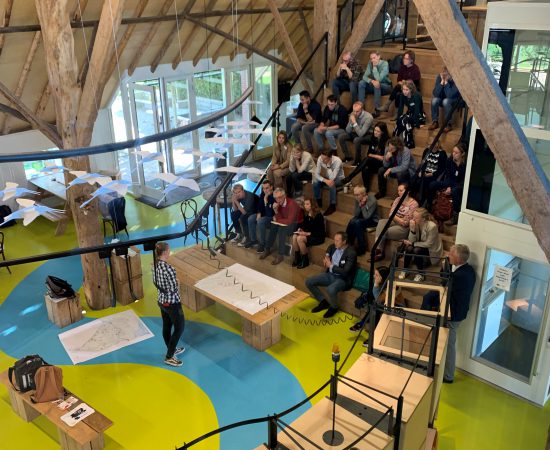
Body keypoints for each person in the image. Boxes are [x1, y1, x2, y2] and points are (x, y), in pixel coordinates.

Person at [421, 244, 476, 383]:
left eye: (451, 254)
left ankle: (448, 376)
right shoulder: (467, 270)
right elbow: (445, 279)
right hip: (456, 311)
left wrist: (445, 266)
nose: (448, 255)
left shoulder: (461, 275)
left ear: (458, 258)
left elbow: (446, 282)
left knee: (449, 345)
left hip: (453, 314)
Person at [306, 231, 357, 319]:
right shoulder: (334, 246)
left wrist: (331, 266)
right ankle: (323, 302)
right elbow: (329, 248)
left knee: (330, 289)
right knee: (309, 281)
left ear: (344, 241)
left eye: (337, 241)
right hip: (330, 274)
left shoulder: (351, 253)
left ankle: (334, 307)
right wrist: (326, 257)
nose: (335, 242)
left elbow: (345, 272)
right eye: (334, 240)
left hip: (342, 279)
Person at [153, 242, 185, 367]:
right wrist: (178, 283)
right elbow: (173, 289)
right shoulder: (169, 269)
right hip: (172, 303)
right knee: (179, 327)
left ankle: (170, 348)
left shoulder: (155, 266)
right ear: (165, 252)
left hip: (161, 301)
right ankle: (169, 356)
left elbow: (156, 282)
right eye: (169, 250)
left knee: (167, 326)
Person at [372, 183, 418, 262]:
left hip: (404, 228)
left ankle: (379, 252)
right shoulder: (397, 199)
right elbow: (390, 214)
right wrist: (400, 219)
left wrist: (396, 217)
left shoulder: (414, 204)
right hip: (394, 222)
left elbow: (406, 223)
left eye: (401, 190)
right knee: (381, 222)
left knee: (383, 231)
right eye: (398, 191)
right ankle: (378, 249)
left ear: (407, 192)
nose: (399, 192)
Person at [260, 188, 303, 265]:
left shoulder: (292, 204)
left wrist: (277, 220)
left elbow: (290, 220)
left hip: (295, 224)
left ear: (284, 196)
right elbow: (279, 217)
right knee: (273, 226)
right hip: (284, 222)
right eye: (276, 198)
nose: (278, 200)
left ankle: (280, 255)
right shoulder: (278, 203)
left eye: (280, 197)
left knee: (281, 229)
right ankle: (267, 249)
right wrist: (276, 211)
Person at [398, 208, 442, 282]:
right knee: (409, 248)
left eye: (416, 218)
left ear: (423, 219)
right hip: (420, 245)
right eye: (413, 217)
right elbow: (411, 240)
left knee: (416, 249)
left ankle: (421, 274)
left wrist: (413, 243)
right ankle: (405, 270)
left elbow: (429, 244)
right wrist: (412, 230)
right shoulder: (415, 224)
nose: (413, 219)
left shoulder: (432, 226)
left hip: (431, 249)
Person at [341, 122, 390, 190]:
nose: (375, 132)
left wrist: (373, 155)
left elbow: (384, 158)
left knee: (367, 159)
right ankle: (366, 188)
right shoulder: (373, 139)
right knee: (365, 168)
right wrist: (373, 156)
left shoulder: (387, 142)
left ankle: (350, 176)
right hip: (374, 162)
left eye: (378, 131)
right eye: (375, 130)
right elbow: (369, 154)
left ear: (383, 132)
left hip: (383, 165)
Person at [427, 143, 467, 225]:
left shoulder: (465, 165)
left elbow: (463, 181)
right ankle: (430, 206)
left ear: (462, 154)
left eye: (456, 153)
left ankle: (455, 216)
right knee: (432, 184)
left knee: (455, 191)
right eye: (453, 152)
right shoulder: (449, 160)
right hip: (450, 182)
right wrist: (448, 186)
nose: (453, 154)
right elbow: (448, 175)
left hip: (460, 185)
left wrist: (451, 189)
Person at [291, 198, 325, 269]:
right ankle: (298, 258)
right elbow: (304, 226)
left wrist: (305, 233)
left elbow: (318, 232)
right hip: (308, 234)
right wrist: (300, 229)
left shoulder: (318, 216)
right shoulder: (306, 214)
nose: (305, 206)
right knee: (294, 236)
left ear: (312, 205)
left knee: (300, 238)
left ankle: (305, 260)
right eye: (305, 204)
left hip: (317, 237)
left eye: (307, 204)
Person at [346, 186, 378, 256]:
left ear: (363, 194)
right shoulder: (358, 198)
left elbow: (367, 216)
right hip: (362, 217)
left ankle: (362, 247)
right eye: (354, 195)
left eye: (357, 195)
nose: (356, 197)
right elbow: (356, 214)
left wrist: (363, 205)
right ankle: (348, 243)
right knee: (352, 221)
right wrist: (360, 204)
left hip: (373, 220)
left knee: (358, 223)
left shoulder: (372, 200)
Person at [358, 50, 392, 116]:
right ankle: (360, 108)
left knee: (377, 84)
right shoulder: (370, 63)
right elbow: (364, 76)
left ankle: (377, 110)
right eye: (371, 58)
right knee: (361, 83)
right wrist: (372, 81)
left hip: (386, 86)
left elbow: (379, 79)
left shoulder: (385, 64)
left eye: (374, 58)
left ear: (379, 57)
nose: (372, 60)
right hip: (375, 84)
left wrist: (374, 67)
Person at [313, 148, 345, 216]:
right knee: (315, 182)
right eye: (321, 158)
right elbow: (316, 174)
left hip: (339, 179)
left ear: (330, 158)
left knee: (331, 184)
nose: (322, 160)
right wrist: (325, 180)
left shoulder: (338, 161)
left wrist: (328, 166)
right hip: (327, 178)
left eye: (324, 159)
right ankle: (318, 200)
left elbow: (332, 178)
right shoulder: (320, 158)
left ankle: (332, 205)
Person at [429, 67, 461, 132]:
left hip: (454, 100)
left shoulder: (456, 79)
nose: (444, 76)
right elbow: (435, 93)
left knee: (446, 101)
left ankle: (448, 124)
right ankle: (435, 122)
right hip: (443, 99)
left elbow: (450, 95)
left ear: (450, 74)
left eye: (446, 74)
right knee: (434, 100)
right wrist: (441, 83)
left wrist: (446, 83)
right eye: (443, 74)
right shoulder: (440, 77)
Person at [247, 180, 274, 251]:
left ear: (271, 187)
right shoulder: (263, 193)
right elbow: (259, 206)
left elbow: (270, 213)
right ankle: (253, 240)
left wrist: (265, 200)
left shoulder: (275, 195)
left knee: (260, 221)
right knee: (251, 218)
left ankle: (262, 243)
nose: (265, 190)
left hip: (271, 217)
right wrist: (259, 213)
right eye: (263, 188)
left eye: (267, 188)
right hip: (263, 214)